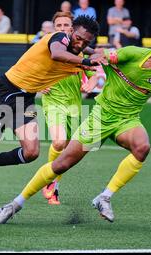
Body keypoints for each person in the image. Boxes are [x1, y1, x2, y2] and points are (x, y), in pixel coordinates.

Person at [0, 29, 151, 225]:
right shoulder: (132, 53)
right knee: (61, 165)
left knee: (143, 147)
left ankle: (104, 197)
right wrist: (88, 54)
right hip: (100, 117)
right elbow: (101, 57)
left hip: (127, 120)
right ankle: (15, 204)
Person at [0, 15, 107, 206]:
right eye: (78, 38)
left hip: (25, 100)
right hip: (3, 93)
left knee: (31, 152)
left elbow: (86, 50)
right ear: (70, 32)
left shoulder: (78, 50)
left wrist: (96, 54)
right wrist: (89, 61)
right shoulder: (59, 38)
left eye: (86, 42)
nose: (80, 43)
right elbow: (57, 54)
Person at [41, 11, 106, 205]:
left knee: (68, 150)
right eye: (58, 26)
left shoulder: (81, 48)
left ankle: (54, 187)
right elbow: (29, 70)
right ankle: (50, 181)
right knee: (59, 142)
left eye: (65, 26)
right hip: (52, 100)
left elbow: (98, 65)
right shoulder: (48, 46)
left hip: (74, 103)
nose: (61, 29)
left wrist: (94, 80)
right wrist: (39, 84)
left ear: (73, 28)